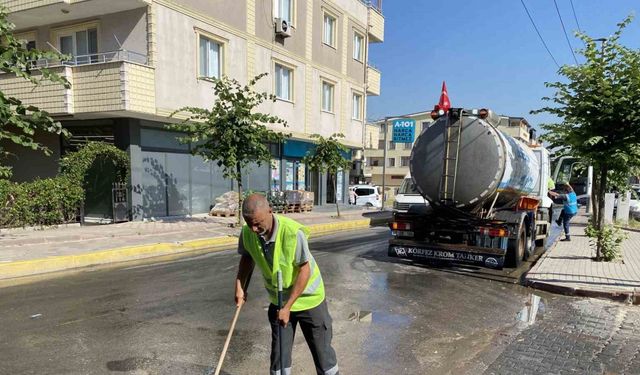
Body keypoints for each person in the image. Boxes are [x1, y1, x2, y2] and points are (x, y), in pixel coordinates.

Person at [235, 194, 339, 375]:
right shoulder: (247, 233)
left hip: (309, 301)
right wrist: (240, 286)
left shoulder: (292, 232)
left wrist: (288, 306)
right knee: (279, 359)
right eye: (249, 222)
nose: (253, 228)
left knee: (324, 356)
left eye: (258, 223)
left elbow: (304, 271)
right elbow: (247, 257)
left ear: (270, 211)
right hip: (279, 301)